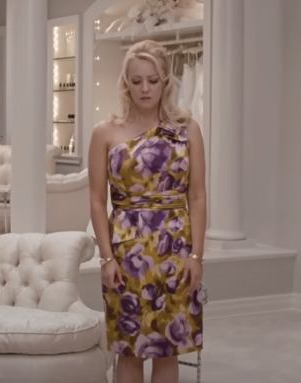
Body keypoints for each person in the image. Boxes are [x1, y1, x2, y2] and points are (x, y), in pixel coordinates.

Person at [87, 39, 206, 383]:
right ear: (125, 83)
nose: (145, 88)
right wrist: (107, 258)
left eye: (153, 80)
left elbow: (197, 196)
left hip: (176, 250)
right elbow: (97, 200)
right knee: (130, 352)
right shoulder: (105, 132)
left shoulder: (187, 130)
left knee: (168, 351)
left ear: (165, 82)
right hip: (127, 253)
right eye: (136, 80)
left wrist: (197, 255)